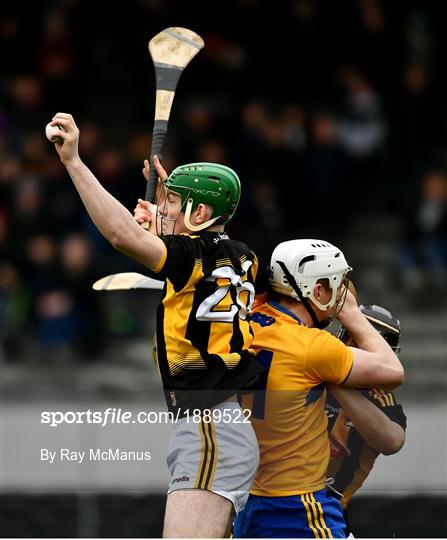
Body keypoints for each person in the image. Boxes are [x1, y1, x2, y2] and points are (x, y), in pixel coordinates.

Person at [48, 113, 265, 538]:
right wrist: (165, 219)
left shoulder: (191, 257)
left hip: (210, 427)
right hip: (222, 425)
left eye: (172, 202)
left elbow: (120, 235)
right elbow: (184, 253)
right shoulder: (242, 254)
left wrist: (74, 161)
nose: (161, 207)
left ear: (199, 211)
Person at [233, 239, 404, 538]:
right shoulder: (316, 348)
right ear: (319, 290)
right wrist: (351, 313)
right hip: (298, 505)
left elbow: (391, 439)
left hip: (250, 497)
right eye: (335, 286)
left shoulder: (249, 322)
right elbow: (392, 371)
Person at [325, 304, 407, 534]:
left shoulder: (381, 399)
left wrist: (334, 383)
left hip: (328, 509)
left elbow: (392, 441)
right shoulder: (308, 376)